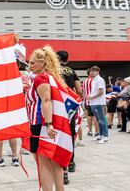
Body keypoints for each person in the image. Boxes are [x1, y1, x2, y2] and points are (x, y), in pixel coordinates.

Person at [26, 46, 66, 191]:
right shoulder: (50, 77)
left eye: (32, 63)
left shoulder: (40, 78)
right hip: (49, 124)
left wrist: (48, 124)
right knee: (54, 162)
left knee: (43, 162)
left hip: (40, 124)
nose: (30, 65)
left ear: (42, 63)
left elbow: (46, 100)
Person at [57, 50, 82, 184]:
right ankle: (70, 161)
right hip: (69, 107)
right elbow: (79, 91)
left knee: (58, 136)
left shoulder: (52, 70)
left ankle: (62, 168)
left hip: (56, 106)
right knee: (70, 134)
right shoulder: (72, 71)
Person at [86, 66, 109, 144]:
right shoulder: (93, 80)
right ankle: (100, 135)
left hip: (99, 103)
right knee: (99, 120)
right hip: (94, 103)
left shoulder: (100, 80)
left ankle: (105, 137)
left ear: (98, 72)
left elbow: (101, 92)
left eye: (93, 71)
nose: (91, 72)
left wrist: (91, 97)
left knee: (102, 120)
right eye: (91, 71)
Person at [82, 69, 99, 136]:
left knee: (89, 116)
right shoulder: (94, 80)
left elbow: (83, 92)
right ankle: (97, 131)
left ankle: (90, 131)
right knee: (95, 116)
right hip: (94, 101)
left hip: (87, 101)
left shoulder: (85, 81)